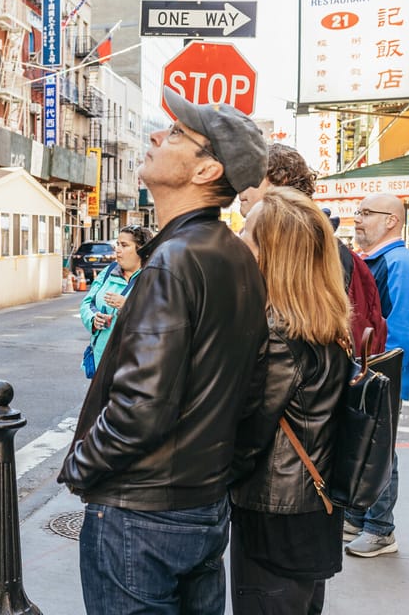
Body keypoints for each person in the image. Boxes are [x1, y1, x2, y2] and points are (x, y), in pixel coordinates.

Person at [58, 87, 269, 614]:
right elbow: (260, 391)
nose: (157, 135)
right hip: (200, 504)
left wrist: (82, 465)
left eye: (177, 133)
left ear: (205, 172)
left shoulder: (172, 262)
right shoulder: (234, 257)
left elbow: (141, 407)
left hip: (141, 514)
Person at [231, 188, 351, 614]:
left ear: (272, 253)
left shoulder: (279, 333)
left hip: (275, 511)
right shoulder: (324, 321)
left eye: (247, 232)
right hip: (311, 506)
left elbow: (248, 434)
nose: (239, 240)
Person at [344, 192, 409, 557]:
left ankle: (380, 529)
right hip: (371, 371)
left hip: (382, 374)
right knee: (366, 442)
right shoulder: (379, 260)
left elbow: (403, 333)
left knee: (380, 450)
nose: (358, 219)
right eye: (358, 212)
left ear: (391, 220)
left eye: (366, 213)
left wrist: (374, 374)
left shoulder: (401, 265)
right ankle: (360, 517)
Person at [240, 143, 386, 354]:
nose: (240, 189)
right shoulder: (325, 248)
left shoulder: (323, 253)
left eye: (251, 179)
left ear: (281, 181)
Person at [78, 225, 154, 375]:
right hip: (102, 360)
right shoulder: (108, 272)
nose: (117, 250)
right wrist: (94, 319)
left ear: (141, 249)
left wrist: (128, 305)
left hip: (136, 364)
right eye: (117, 244)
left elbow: (161, 316)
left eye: (124, 245)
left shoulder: (153, 277)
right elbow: (88, 303)